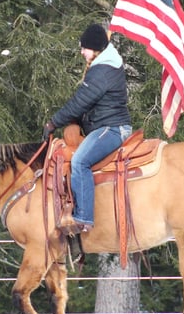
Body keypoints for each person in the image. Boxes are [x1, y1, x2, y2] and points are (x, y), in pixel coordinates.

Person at [42, 23, 132, 234]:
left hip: (111, 128)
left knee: (80, 160)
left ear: (96, 48)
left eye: (85, 48)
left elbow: (80, 102)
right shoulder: (104, 65)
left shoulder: (102, 69)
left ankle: (83, 218)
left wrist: (53, 122)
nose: (82, 51)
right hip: (106, 125)